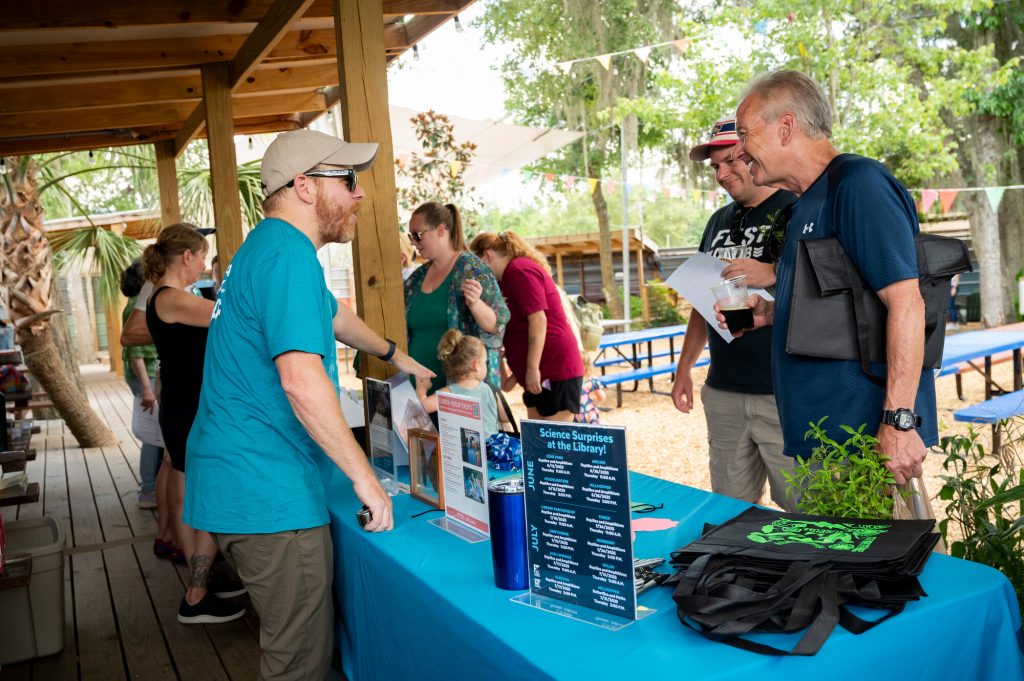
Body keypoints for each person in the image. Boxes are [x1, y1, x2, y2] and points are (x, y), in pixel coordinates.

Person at [184, 128, 434, 680]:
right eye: (347, 180)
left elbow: (335, 317)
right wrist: (366, 480)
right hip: (266, 489)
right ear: (304, 185)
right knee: (299, 662)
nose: (359, 194)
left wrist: (397, 355)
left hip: (239, 476)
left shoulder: (268, 249)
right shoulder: (288, 257)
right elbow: (299, 380)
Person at [725, 70, 936, 485]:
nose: (740, 150)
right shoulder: (802, 204)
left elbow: (908, 303)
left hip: (866, 445)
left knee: (889, 550)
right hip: (823, 445)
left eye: (745, 134)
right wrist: (771, 312)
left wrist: (898, 423)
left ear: (786, 127)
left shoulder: (858, 184)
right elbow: (840, 302)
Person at [670, 116, 796, 510]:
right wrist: (683, 369)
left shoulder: (795, 209)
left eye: (732, 161)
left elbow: (826, 289)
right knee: (730, 510)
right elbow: (701, 301)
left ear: (754, 155)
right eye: (715, 168)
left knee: (804, 511)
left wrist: (775, 273)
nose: (722, 174)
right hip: (724, 389)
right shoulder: (718, 222)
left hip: (783, 391)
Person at [143, 224, 246, 625]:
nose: (204, 264)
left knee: (197, 494)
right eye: (202, 256)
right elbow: (230, 317)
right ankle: (197, 594)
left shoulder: (169, 297)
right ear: (186, 256)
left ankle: (201, 582)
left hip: (187, 407)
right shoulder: (170, 299)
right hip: (187, 410)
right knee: (202, 497)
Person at [471, 231, 584, 422]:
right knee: (538, 443)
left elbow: (538, 320)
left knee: (554, 445)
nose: (477, 273)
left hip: (554, 368)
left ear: (488, 255)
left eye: (477, 265)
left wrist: (531, 368)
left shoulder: (519, 270)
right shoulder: (505, 278)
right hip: (537, 373)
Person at [405, 202, 509, 397]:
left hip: (460, 396)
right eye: (411, 236)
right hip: (419, 394)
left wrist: (476, 304)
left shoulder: (472, 269)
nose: (412, 242)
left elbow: (497, 323)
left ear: (441, 230)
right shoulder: (417, 277)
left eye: (417, 235)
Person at [118, 261, 162, 511]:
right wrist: (146, 389)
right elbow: (135, 354)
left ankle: (150, 486)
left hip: (148, 375)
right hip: (145, 376)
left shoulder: (137, 303)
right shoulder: (136, 307)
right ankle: (147, 489)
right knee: (153, 435)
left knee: (155, 434)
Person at [415, 328, 510, 439]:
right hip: (493, 453)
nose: (486, 365)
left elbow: (420, 409)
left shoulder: (448, 393)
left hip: (465, 455)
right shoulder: (489, 389)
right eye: (485, 361)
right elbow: (505, 418)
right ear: (475, 365)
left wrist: (421, 389)